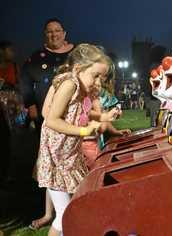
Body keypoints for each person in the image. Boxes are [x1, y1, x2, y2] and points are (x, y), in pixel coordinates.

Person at [36, 43, 118, 236]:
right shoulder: (69, 84)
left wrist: (105, 117)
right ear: (79, 69)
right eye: (95, 75)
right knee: (65, 215)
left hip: (70, 156)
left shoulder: (83, 89)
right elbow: (51, 120)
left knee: (77, 206)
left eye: (101, 77)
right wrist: (83, 131)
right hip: (56, 158)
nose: (98, 82)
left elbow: (83, 114)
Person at [20, 18, 74, 136]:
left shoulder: (76, 54)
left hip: (73, 112)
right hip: (44, 114)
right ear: (45, 35)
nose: (54, 34)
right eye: (49, 32)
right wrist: (30, 105)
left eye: (57, 31)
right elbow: (25, 80)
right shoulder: (36, 57)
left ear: (64, 33)